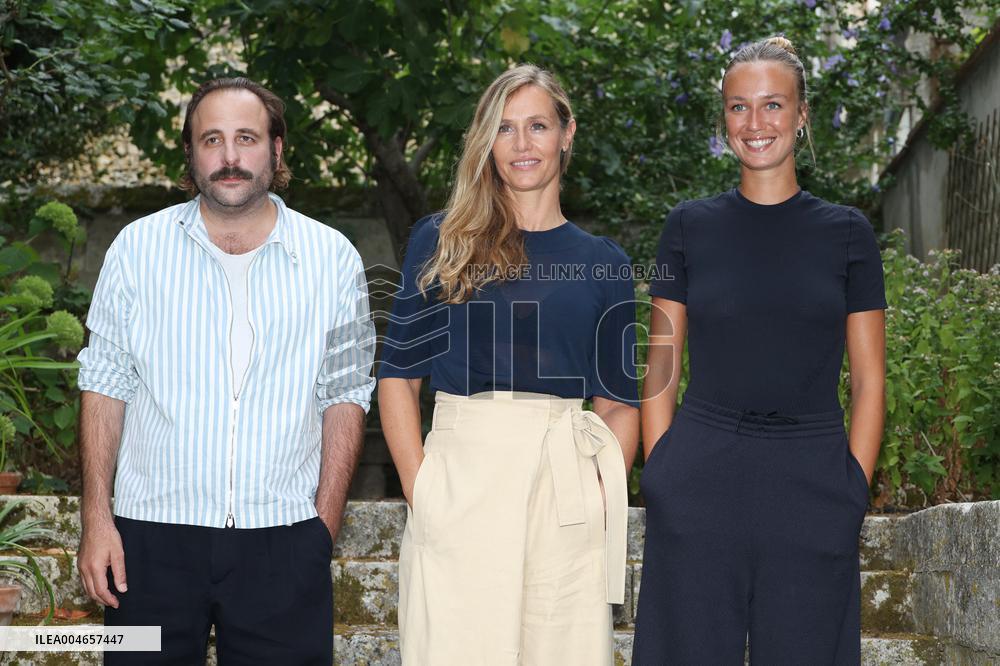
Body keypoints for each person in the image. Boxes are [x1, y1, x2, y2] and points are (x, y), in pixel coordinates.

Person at [75, 77, 375, 664]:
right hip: (148, 540)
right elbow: (104, 384)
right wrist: (96, 521)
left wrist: (322, 529)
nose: (230, 157)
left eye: (247, 137)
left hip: (285, 539)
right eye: (212, 139)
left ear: (277, 150)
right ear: (189, 153)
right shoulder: (136, 250)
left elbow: (343, 393)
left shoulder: (332, 258)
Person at [632, 37, 886, 665]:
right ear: (724, 119)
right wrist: (661, 468)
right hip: (700, 470)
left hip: (813, 477)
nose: (755, 123)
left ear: (802, 114)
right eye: (738, 107)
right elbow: (662, 360)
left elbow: (870, 380)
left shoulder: (848, 233)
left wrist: (851, 485)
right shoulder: (689, 227)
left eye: (772, 105)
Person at [377, 64, 640, 665]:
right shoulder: (441, 239)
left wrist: (600, 496)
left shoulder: (604, 262)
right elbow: (397, 379)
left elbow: (619, 401)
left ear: (567, 134)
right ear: (486, 142)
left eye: (538, 125)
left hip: (567, 489)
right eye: (505, 129)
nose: (522, 144)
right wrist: (424, 490)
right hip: (460, 481)